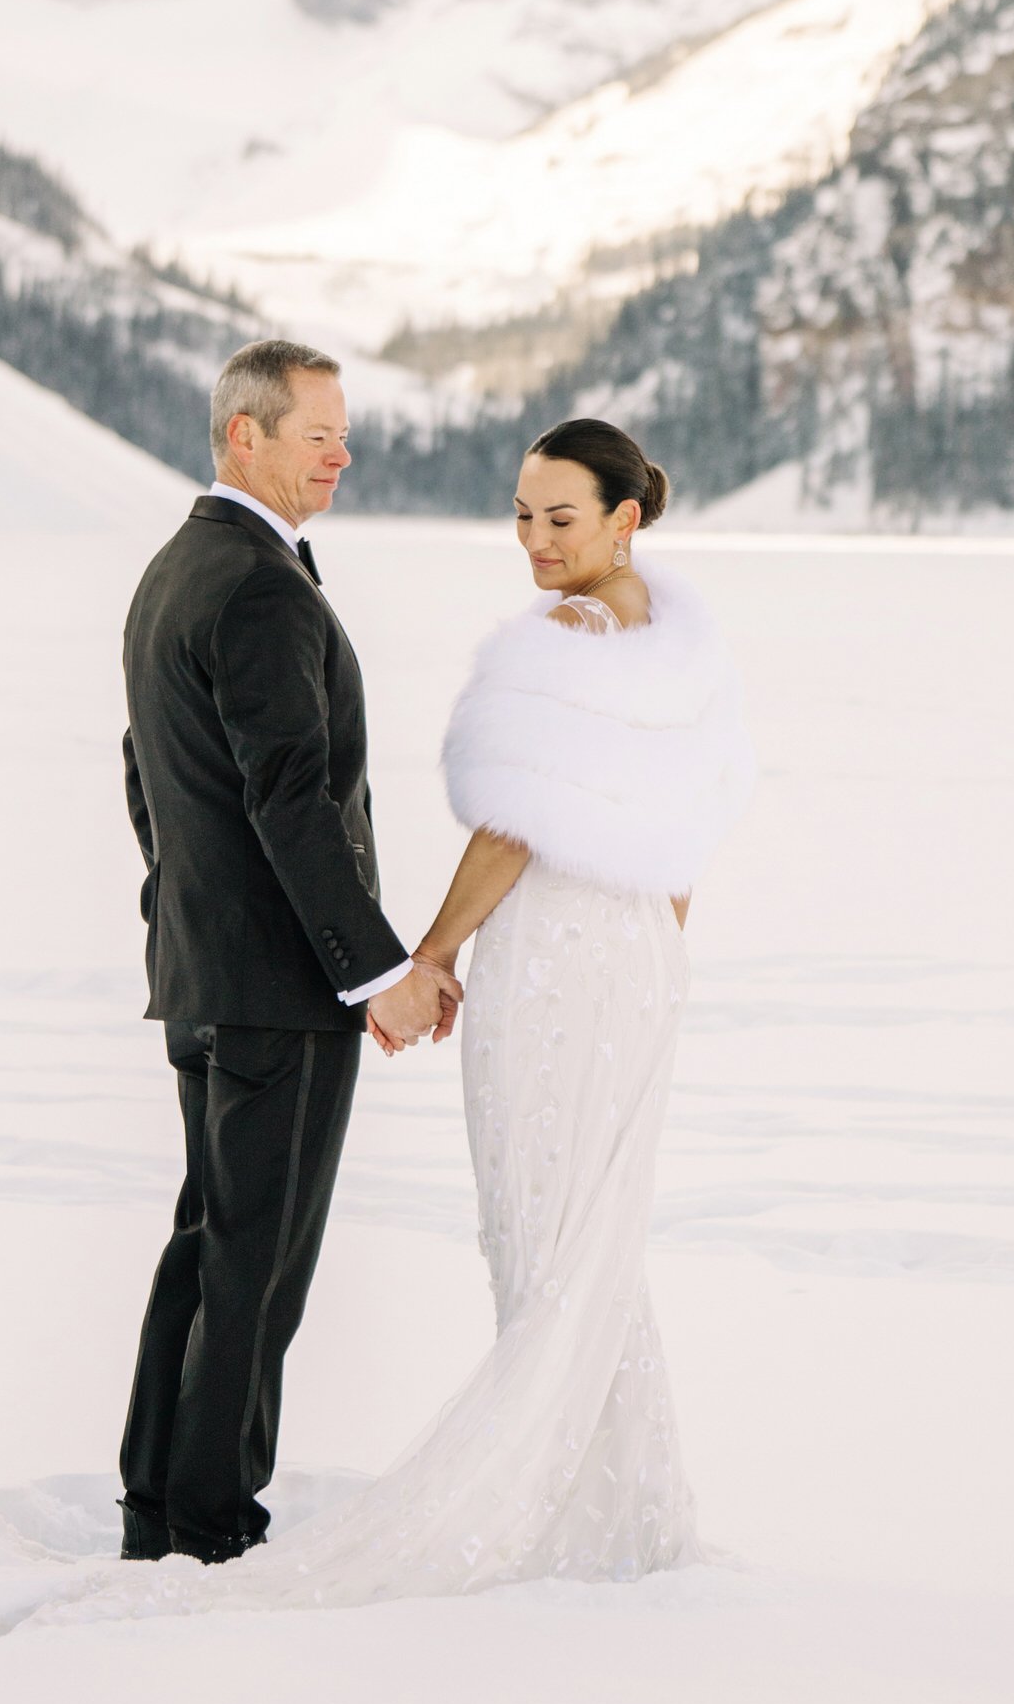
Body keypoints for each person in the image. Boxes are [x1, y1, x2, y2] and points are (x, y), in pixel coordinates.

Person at [80, 409, 755, 1613]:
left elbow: (512, 828)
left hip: (554, 953)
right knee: (594, 1234)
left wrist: (427, 955)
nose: (535, 542)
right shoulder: (681, 642)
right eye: (521, 515)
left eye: (561, 518)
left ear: (624, 518)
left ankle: (527, 1498)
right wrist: (657, 954)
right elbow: (690, 821)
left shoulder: (565, 634)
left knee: (544, 1231)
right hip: (643, 951)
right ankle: (619, 1503)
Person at [116, 338, 461, 1567]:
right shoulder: (258, 586)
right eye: (318, 432)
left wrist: (187, 915)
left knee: (208, 1251)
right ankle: (211, 1532)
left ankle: (157, 1511)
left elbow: (147, 782)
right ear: (243, 436)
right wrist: (375, 972)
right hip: (278, 991)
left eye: (343, 431)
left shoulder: (177, 568)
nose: (342, 453)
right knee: (255, 1277)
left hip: (205, 978)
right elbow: (290, 800)